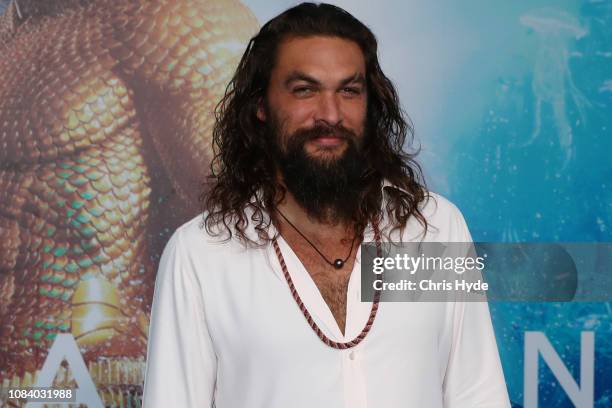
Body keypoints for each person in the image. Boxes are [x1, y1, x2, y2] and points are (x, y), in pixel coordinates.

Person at [142, 3, 511, 407]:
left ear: (371, 104)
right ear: (261, 105)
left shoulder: (434, 228)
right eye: (305, 90)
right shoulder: (200, 254)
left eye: (349, 91)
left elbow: (478, 393)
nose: (330, 114)